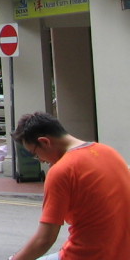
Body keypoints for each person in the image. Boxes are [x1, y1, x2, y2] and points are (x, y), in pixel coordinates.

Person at [8, 111, 130, 260]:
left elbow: (44, 240)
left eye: (35, 153)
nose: (40, 160)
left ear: (45, 142)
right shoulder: (110, 153)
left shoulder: (61, 171)